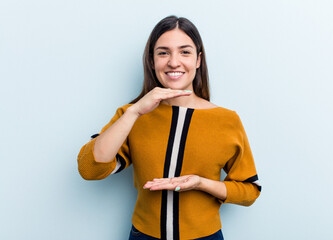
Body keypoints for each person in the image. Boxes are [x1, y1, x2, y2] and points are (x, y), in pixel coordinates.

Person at [77, 15, 261, 240]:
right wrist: (134, 111)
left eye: (185, 52)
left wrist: (201, 183)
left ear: (198, 60)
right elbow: (90, 169)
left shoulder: (227, 120)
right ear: (152, 60)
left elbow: (250, 191)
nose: (174, 62)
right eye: (163, 52)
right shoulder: (131, 115)